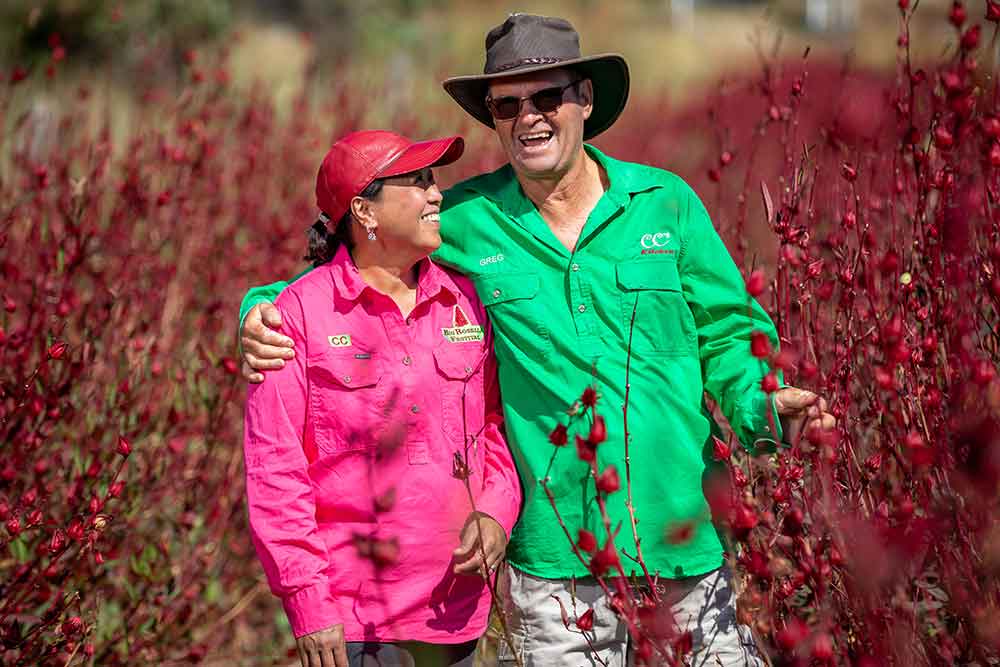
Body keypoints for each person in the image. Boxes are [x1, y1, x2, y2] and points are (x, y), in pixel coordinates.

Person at [239, 14, 836, 666]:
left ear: (584, 99)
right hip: (557, 565)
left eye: (546, 97)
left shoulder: (667, 202)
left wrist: (760, 409)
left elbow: (729, 332)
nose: (528, 118)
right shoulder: (467, 219)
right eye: (507, 105)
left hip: (684, 537)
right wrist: (257, 309)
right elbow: (347, 272)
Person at [242, 129, 521, 667]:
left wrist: (496, 511)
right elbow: (275, 469)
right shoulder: (294, 317)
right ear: (364, 212)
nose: (437, 194)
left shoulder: (465, 299)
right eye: (416, 182)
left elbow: (495, 424)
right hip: (354, 623)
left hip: (457, 613)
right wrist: (307, 601)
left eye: (433, 180)